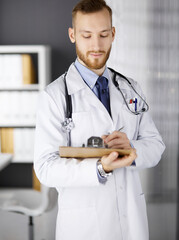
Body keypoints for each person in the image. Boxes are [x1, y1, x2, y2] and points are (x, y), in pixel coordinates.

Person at [34, 0, 165, 239]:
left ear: (113, 34)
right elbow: (45, 168)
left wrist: (131, 147)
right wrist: (99, 168)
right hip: (85, 225)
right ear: (72, 35)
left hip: (131, 220)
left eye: (104, 34)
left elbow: (156, 146)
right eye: (87, 35)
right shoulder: (54, 97)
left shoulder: (130, 89)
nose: (96, 45)